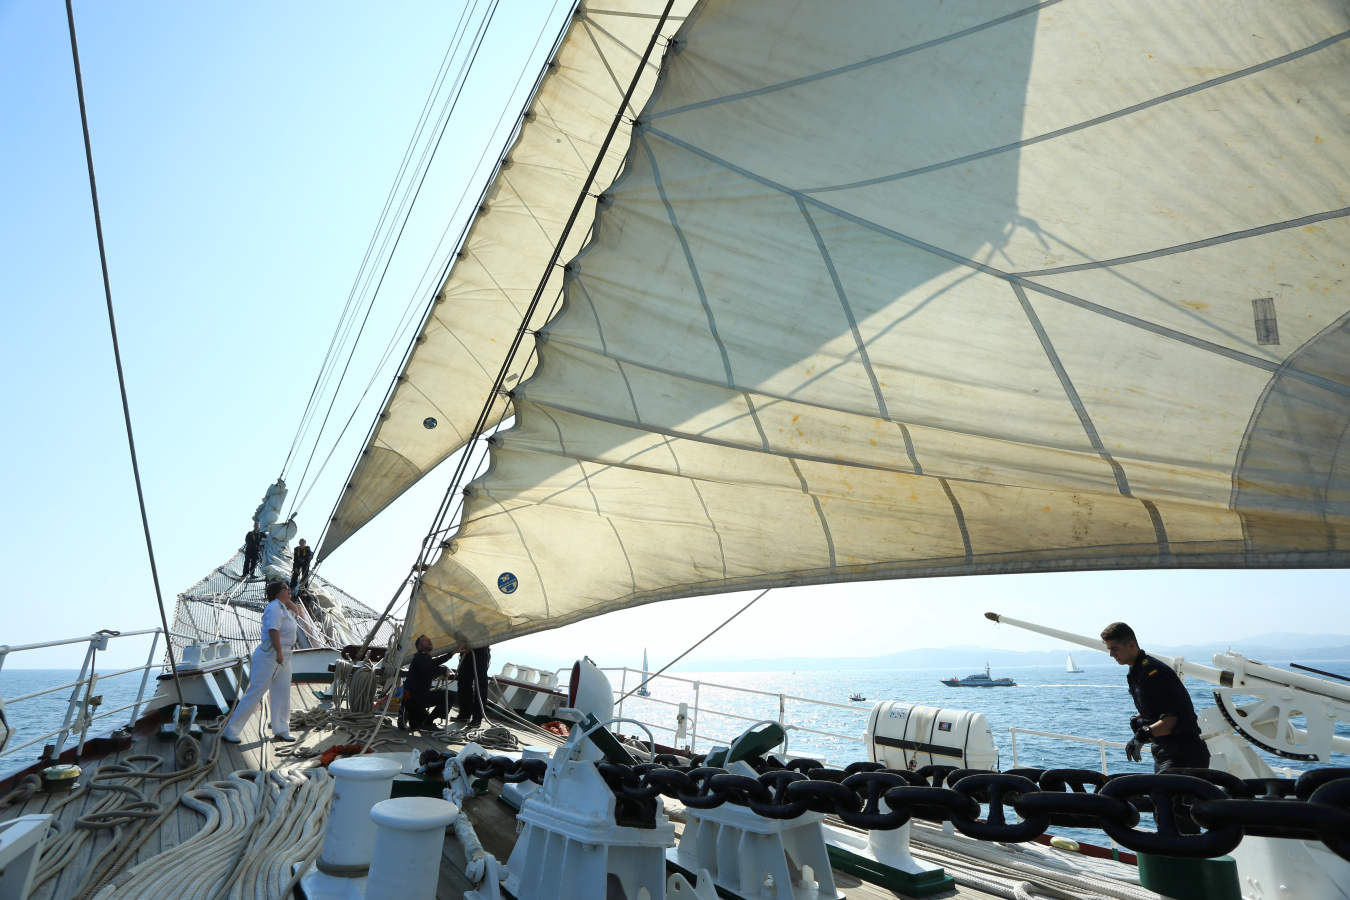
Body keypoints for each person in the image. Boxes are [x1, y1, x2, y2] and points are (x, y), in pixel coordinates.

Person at [1102, 621, 1209, 771]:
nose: (1111, 654)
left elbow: (1173, 719)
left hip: (1183, 755)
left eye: (1114, 649)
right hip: (1164, 753)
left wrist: (1142, 735)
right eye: (1109, 649)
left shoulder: (1153, 673)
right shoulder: (1137, 672)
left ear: (1131, 645)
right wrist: (1139, 720)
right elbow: (1155, 708)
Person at [222, 581, 301, 743]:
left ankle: (281, 729)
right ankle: (230, 731)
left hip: (285, 655)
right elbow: (273, 630)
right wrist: (279, 652)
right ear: (278, 592)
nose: (289, 590)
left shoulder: (284, 608)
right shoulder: (274, 608)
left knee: (282, 693)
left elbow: (297, 612)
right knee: (256, 692)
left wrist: (289, 601)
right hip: (270, 654)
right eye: (286, 588)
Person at [402, 634, 452, 731]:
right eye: (425, 640)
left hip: (415, 699)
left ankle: (418, 719)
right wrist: (443, 670)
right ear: (419, 646)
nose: (429, 641)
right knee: (448, 696)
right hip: (416, 699)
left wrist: (452, 653)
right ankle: (427, 722)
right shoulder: (419, 658)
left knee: (417, 722)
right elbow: (430, 672)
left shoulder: (423, 658)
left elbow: (436, 662)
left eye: (429, 639)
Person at [453, 643, 492, 727]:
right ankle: (464, 715)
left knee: (480, 686)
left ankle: (477, 719)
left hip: (481, 652)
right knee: (463, 683)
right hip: (466, 652)